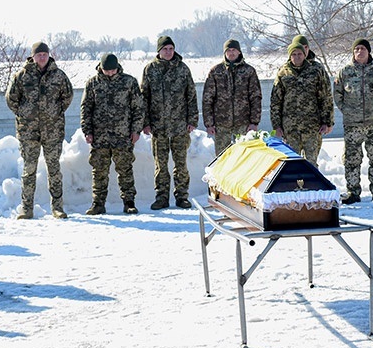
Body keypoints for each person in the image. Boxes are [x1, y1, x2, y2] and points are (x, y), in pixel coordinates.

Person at [5, 41, 74, 219]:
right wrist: (25, 114)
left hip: (53, 131)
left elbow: (67, 97)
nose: (42, 57)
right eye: (38, 54)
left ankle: (57, 208)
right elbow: (11, 99)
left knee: (54, 170)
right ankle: (27, 209)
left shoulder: (58, 76)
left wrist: (54, 113)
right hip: (29, 132)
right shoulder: (22, 76)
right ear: (33, 56)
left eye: (44, 54)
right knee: (29, 171)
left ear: (48, 55)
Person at [80, 53, 144, 215]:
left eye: (113, 70)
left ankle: (129, 202)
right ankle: (98, 203)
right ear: (100, 68)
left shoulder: (129, 82)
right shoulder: (93, 83)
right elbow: (86, 108)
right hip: (99, 136)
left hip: (122, 136)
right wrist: (87, 131)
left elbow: (138, 108)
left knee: (125, 169)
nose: (110, 73)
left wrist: (136, 130)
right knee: (99, 171)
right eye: (106, 70)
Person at [141, 36, 198, 210]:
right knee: (161, 165)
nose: (168, 52)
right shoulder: (150, 69)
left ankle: (182, 196)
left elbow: (191, 95)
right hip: (159, 127)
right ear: (159, 51)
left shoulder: (182, 69)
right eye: (165, 49)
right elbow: (144, 97)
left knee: (181, 164)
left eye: (171, 49)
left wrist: (192, 120)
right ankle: (162, 197)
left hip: (180, 126)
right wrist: (146, 122)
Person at [334, 39, 373, 204]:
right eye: (356, 49)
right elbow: (338, 95)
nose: (359, 51)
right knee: (352, 158)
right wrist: (349, 111)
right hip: (352, 124)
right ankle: (353, 191)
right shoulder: (345, 72)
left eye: (363, 48)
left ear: (369, 51)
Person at [270, 41, 334, 166]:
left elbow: (325, 97)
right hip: (290, 128)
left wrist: (327, 122)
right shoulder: (283, 72)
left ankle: (312, 186)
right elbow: (276, 101)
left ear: (305, 54)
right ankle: (294, 186)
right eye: (294, 54)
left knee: (311, 164)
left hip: (312, 126)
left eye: (300, 53)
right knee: (291, 164)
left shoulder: (316, 70)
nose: (297, 56)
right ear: (290, 56)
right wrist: (276, 125)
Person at [202, 38, 262, 156]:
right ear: (225, 53)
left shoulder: (249, 71)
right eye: (228, 50)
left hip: (243, 124)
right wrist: (209, 124)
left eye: (234, 50)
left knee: (244, 156)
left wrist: (254, 122)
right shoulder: (216, 71)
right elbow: (207, 99)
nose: (231, 53)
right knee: (222, 158)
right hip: (221, 125)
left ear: (239, 52)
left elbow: (255, 97)